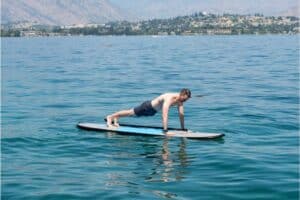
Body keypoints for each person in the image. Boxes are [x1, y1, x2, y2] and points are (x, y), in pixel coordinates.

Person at [106, 88, 191, 133]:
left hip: (152, 112)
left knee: (131, 114)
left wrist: (182, 129)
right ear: (181, 94)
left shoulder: (180, 101)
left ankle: (116, 118)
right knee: (130, 112)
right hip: (147, 107)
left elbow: (181, 115)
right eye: (184, 99)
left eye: (186, 100)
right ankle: (110, 117)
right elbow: (165, 114)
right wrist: (165, 130)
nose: (184, 101)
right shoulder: (169, 98)